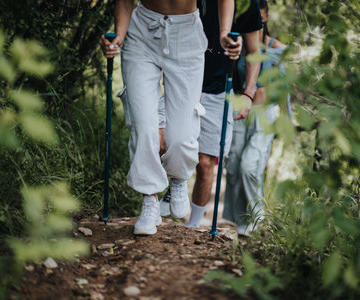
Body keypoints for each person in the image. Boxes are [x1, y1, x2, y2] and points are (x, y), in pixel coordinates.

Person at [100, 0, 240, 235]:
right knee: (143, 124)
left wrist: (224, 32)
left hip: (187, 35)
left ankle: (178, 178)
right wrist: (119, 36)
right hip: (142, 32)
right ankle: (149, 200)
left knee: (182, 134)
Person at [158, 0, 262, 229]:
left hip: (219, 88)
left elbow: (254, 51)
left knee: (205, 163)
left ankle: (193, 227)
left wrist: (248, 93)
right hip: (181, 79)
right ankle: (165, 194)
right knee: (162, 142)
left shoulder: (248, 5)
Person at [222, 0, 287, 236]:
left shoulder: (277, 48)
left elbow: (283, 88)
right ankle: (242, 220)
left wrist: (286, 122)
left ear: (265, 18)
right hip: (241, 109)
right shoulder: (240, 42)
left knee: (251, 166)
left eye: (260, 18)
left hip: (266, 115)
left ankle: (257, 218)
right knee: (236, 165)